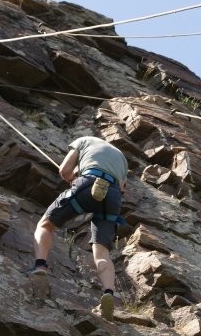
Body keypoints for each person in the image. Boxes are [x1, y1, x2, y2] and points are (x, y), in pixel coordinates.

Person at [28, 136, 128, 321]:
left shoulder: (84, 141)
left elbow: (64, 171)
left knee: (45, 224)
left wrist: (74, 178)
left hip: (88, 181)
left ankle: (40, 265)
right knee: (102, 251)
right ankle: (108, 292)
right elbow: (122, 187)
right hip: (112, 194)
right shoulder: (121, 157)